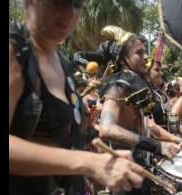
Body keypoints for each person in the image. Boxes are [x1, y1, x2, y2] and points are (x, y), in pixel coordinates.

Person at [9, 1, 144, 194]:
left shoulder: (62, 62)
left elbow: (61, 139)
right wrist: (86, 163)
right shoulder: (16, 51)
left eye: (77, 5)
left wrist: (82, 172)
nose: (70, 13)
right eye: (60, 2)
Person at [97, 33, 182, 195]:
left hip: (142, 170)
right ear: (123, 58)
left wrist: (175, 142)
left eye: (145, 52)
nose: (145, 57)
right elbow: (106, 129)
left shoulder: (134, 84)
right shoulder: (118, 85)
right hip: (125, 175)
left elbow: (148, 126)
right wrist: (157, 146)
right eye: (139, 53)